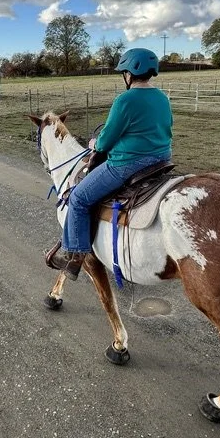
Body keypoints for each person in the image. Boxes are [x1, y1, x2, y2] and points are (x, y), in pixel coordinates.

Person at [47, 48, 172, 280]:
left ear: (130, 73)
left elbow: (107, 138)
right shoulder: (161, 97)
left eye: (124, 72)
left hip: (128, 163)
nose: (124, 76)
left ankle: (74, 256)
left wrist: (96, 143)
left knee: (78, 198)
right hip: (161, 160)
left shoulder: (125, 100)